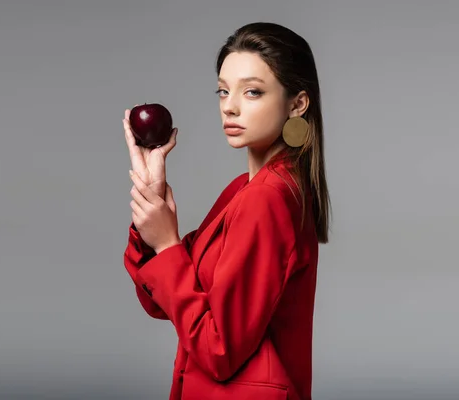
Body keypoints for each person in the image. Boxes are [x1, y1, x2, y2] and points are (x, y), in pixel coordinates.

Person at [122, 21, 331, 400]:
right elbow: (164, 301)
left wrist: (167, 246)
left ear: (297, 104)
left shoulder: (268, 198)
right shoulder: (246, 190)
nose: (229, 106)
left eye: (252, 92)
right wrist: (151, 205)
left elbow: (218, 350)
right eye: (223, 90)